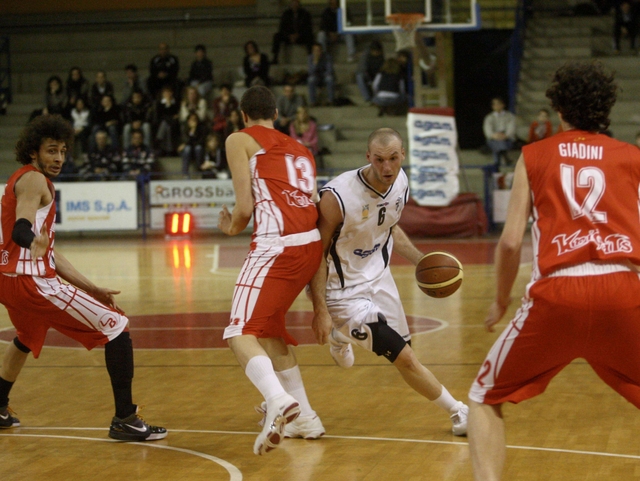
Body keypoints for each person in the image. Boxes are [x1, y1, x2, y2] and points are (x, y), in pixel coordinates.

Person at [467, 62, 640, 481]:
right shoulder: (633, 158)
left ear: (559, 109)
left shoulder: (534, 155)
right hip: (622, 289)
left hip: (557, 293)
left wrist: (500, 299)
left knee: (483, 397)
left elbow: (509, 242)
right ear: (606, 107)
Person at [0, 115, 166, 441]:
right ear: (34, 152)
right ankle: (125, 418)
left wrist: (92, 288)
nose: (59, 158)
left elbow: (50, 254)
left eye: (63, 151)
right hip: (31, 282)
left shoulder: (18, 179)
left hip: (8, 280)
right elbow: (22, 227)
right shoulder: (34, 181)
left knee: (28, 335)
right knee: (116, 325)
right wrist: (30, 239)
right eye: (51, 151)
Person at [308, 128, 469, 437]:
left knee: (406, 349)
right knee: (404, 358)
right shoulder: (337, 197)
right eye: (379, 160)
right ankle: (458, 412)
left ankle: (342, 337)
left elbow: (390, 228)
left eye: (393, 159)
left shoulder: (401, 183)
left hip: (380, 278)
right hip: (343, 292)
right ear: (368, 157)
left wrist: (420, 259)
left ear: (402, 156)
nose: (386, 167)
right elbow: (317, 252)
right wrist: (320, 310)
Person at [217, 85, 325, 455]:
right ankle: (306, 418)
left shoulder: (239, 139)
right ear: (277, 115)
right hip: (310, 246)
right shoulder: (301, 149)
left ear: (243, 115)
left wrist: (230, 226)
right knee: (270, 330)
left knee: (239, 332)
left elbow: (244, 209)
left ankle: (277, 401)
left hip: (277, 246)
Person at [271, 0, 314, 65]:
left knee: (310, 36)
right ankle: (275, 57)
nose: (294, 6)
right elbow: (282, 28)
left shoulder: (305, 14)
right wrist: (289, 35)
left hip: (301, 36)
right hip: (288, 37)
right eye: (293, 4)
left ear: (299, 5)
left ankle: (311, 58)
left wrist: (298, 34)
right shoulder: (286, 14)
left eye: (296, 4)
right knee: (277, 36)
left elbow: (308, 28)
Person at [483, 97, 517, 168]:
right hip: (494, 138)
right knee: (496, 142)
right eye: (494, 104)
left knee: (498, 144)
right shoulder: (489, 117)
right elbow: (487, 131)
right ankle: (504, 154)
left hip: (507, 139)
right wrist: (495, 136)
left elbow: (511, 128)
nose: (496, 106)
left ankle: (496, 163)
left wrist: (505, 136)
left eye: (498, 104)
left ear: (503, 105)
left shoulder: (510, 116)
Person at [152, 85, 180, 156]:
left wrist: (169, 104)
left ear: (171, 93)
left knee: (167, 124)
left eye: (168, 92)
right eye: (165, 93)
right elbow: (160, 115)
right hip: (162, 122)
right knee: (167, 126)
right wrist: (167, 105)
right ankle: (169, 150)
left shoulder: (175, 102)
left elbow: (176, 114)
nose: (167, 94)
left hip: (174, 123)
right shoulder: (159, 103)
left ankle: (158, 139)